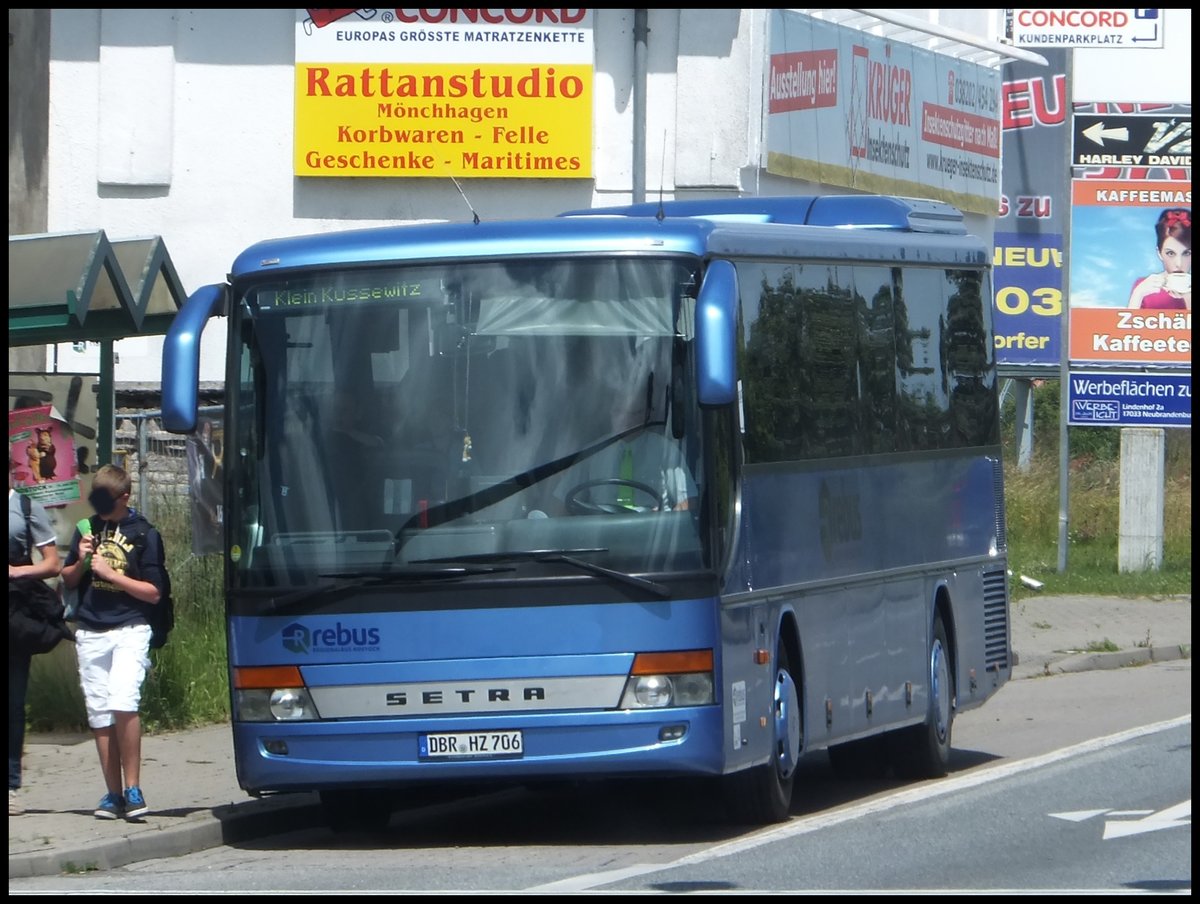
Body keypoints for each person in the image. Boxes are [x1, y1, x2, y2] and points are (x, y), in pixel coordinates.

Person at [60, 464, 166, 821]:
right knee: (100, 711)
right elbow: (68, 579)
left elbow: (153, 592)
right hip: (91, 630)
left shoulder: (144, 533)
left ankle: (134, 788)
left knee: (123, 700)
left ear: (124, 497)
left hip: (130, 627)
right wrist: (82, 562)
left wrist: (111, 574)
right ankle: (113, 793)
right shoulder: (86, 529)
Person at [8, 455, 63, 816]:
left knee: (12, 702)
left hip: (14, 614)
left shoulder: (26, 507)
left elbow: (52, 563)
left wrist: (17, 572)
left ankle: (11, 784)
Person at [554, 394, 696, 514]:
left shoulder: (665, 450)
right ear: (611, 412)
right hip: (600, 531)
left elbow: (688, 501)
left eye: (635, 413)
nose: (627, 419)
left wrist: (666, 523)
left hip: (652, 531)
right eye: (620, 411)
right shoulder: (592, 452)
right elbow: (561, 500)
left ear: (648, 414)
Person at [1127, 207, 1191, 310]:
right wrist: (1137, 295)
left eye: (1187, 253)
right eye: (1170, 253)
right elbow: (1127, 320)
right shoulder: (1143, 286)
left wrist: (1188, 298)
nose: (1179, 263)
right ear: (1159, 253)